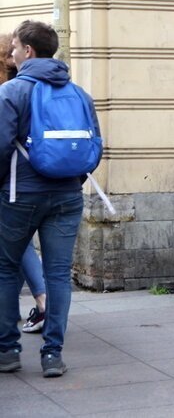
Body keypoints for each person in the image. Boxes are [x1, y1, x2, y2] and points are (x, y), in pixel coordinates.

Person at [0, 21, 101, 378]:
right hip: (68, 196)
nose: (11, 53)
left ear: (28, 51)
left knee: (5, 268)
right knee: (58, 274)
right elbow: (95, 146)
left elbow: (0, 146)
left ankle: (8, 350)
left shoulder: (12, 92)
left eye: (14, 47)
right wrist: (71, 178)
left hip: (20, 195)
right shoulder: (79, 93)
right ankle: (53, 354)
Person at [0, 33, 46, 333]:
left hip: (14, 182)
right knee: (16, 246)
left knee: (14, 246)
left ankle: (43, 301)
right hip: (43, 180)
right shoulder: (39, 85)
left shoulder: (9, 90)